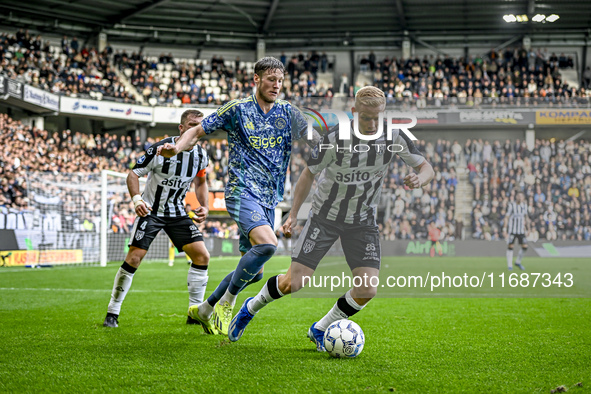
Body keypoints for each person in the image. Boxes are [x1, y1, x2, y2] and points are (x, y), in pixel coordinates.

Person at [227, 86, 435, 348]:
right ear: (353, 112)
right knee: (295, 282)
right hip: (325, 217)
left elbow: (426, 167)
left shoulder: (394, 138)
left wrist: (420, 179)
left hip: (363, 222)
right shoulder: (335, 138)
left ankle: (321, 328)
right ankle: (251, 307)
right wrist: (293, 215)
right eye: (365, 117)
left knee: (367, 290)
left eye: (376, 117)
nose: (371, 124)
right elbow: (308, 174)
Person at [158, 57, 310, 336]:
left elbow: (319, 137)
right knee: (267, 246)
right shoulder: (237, 109)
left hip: (269, 199)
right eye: (270, 80)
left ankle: (204, 309)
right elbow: (197, 130)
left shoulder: (289, 112)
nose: (276, 85)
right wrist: (177, 148)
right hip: (242, 191)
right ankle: (227, 304)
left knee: (257, 271)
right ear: (256, 79)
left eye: (280, 80)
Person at [103, 110, 213, 331]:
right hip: (152, 211)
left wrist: (205, 205)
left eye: (199, 126)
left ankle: (194, 313)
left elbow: (201, 182)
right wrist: (136, 200)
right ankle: (112, 312)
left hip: (177, 212)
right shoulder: (160, 149)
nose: (196, 129)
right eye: (191, 125)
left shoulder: (201, 155)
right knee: (134, 258)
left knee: (202, 256)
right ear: (181, 128)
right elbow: (133, 174)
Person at [503, 191, 529, 270]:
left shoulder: (524, 206)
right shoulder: (511, 205)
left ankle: (518, 262)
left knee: (525, 246)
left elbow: (526, 217)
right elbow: (506, 217)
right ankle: (509, 266)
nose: (520, 197)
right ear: (516, 197)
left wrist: (528, 228)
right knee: (510, 246)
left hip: (521, 230)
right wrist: (505, 229)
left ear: (523, 198)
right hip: (512, 230)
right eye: (518, 196)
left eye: (521, 196)